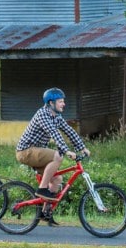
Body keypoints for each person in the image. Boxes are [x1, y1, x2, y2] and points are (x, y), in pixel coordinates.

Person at [15, 87, 89, 225]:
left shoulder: (57, 117)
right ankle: (42, 189)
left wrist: (82, 148)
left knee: (57, 179)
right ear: (51, 103)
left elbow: (69, 132)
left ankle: (45, 213)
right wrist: (66, 151)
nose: (64, 104)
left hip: (36, 152)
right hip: (25, 151)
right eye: (60, 101)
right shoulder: (42, 114)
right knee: (58, 155)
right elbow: (54, 133)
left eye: (63, 101)